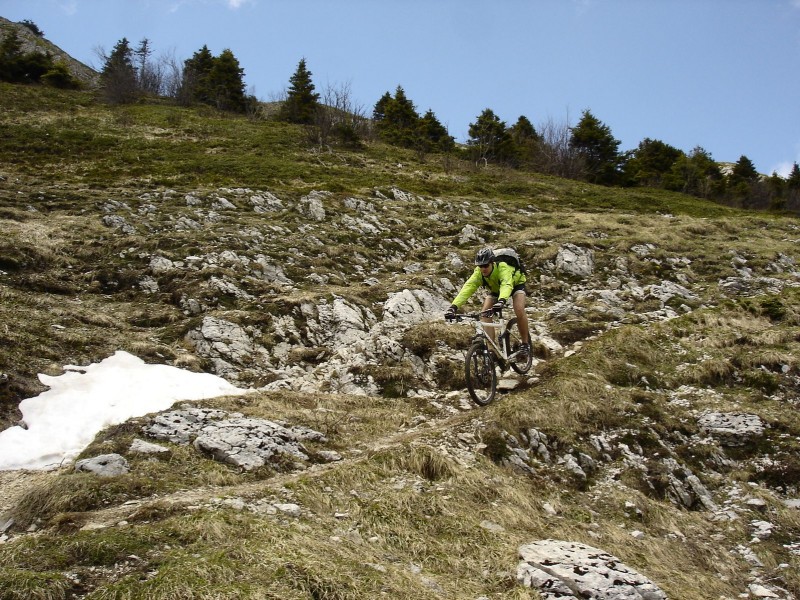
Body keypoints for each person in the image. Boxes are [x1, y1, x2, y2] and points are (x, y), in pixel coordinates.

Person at [445, 247, 530, 358]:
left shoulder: (503, 267)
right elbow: (467, 288)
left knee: (518, 309)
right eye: (480, 266)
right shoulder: (478, 273)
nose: (483, 269)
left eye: (486, 265)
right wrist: (454, 307)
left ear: (492, 263)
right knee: (485, 312)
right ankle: (492, 349)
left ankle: (525, 344)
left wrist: (502, 301)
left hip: (515, 284)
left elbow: (507, 285)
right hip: (496, 290)